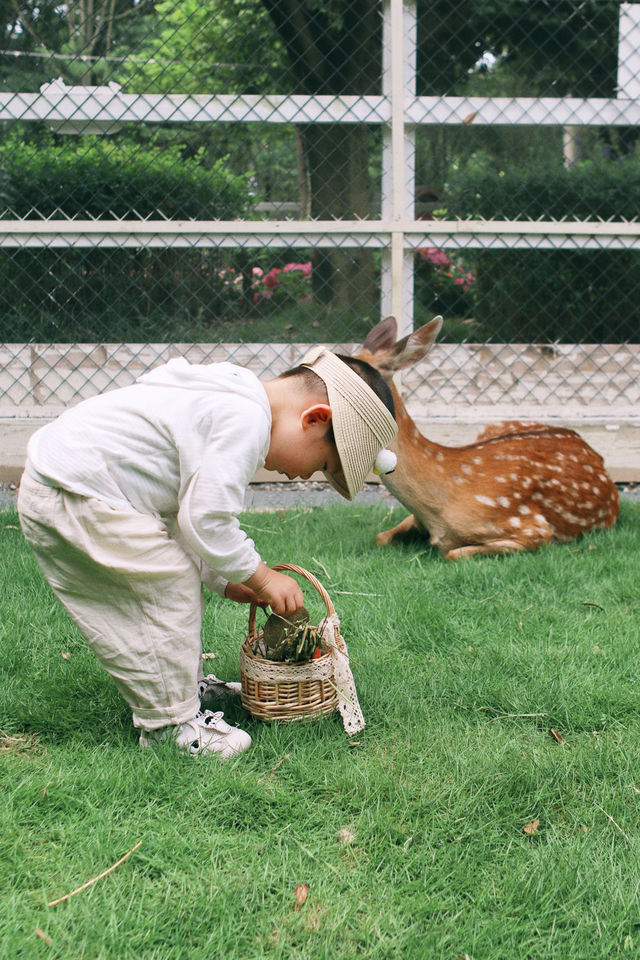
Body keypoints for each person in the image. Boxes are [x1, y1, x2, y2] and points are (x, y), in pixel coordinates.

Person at [18, 345, 397, 758]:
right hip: (76, 492)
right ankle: (169, 725)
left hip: (73, 486)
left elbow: (185, 513)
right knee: (169, 586)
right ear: (314, 418)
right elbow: (207, 521)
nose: (307, 474)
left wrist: (224, 577)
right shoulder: (246, 420)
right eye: (323, 463)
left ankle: (182, 688)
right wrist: (262, 576)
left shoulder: (231, 391)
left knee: (173, 578)